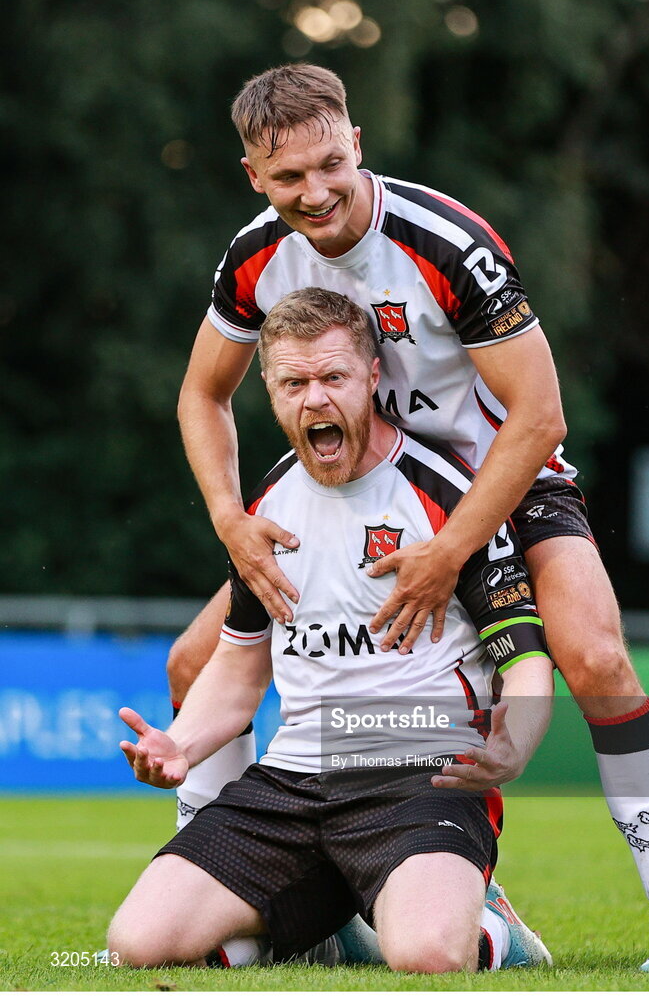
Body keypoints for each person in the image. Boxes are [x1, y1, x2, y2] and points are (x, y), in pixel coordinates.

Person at [172, 64, 649, 972]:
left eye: (329, 165)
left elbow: (540, 415)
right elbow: (201, 395)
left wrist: (452, 549)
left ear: (357, 144)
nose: (314, 192)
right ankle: (249, 916)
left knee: (595, 658)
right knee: (194, 665)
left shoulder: (446, 241)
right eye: (288, 177)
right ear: (253, 176)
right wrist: (231, 517)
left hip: (498, 481)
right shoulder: (253, 255)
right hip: (349, 480)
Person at [108, 292, 554, 972]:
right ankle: (332, 925)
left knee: (428, 957)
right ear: (269, 390)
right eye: (294, 383)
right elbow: (238, 668)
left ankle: (496, 931)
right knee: (139, 945)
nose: (314, 399)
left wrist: (515, 741)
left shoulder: (449, 495)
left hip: (421, 777)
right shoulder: (264, 507)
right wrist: (182, 743)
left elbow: (525, 657)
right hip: (295, 780)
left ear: (373, 377)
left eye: (333, 378)